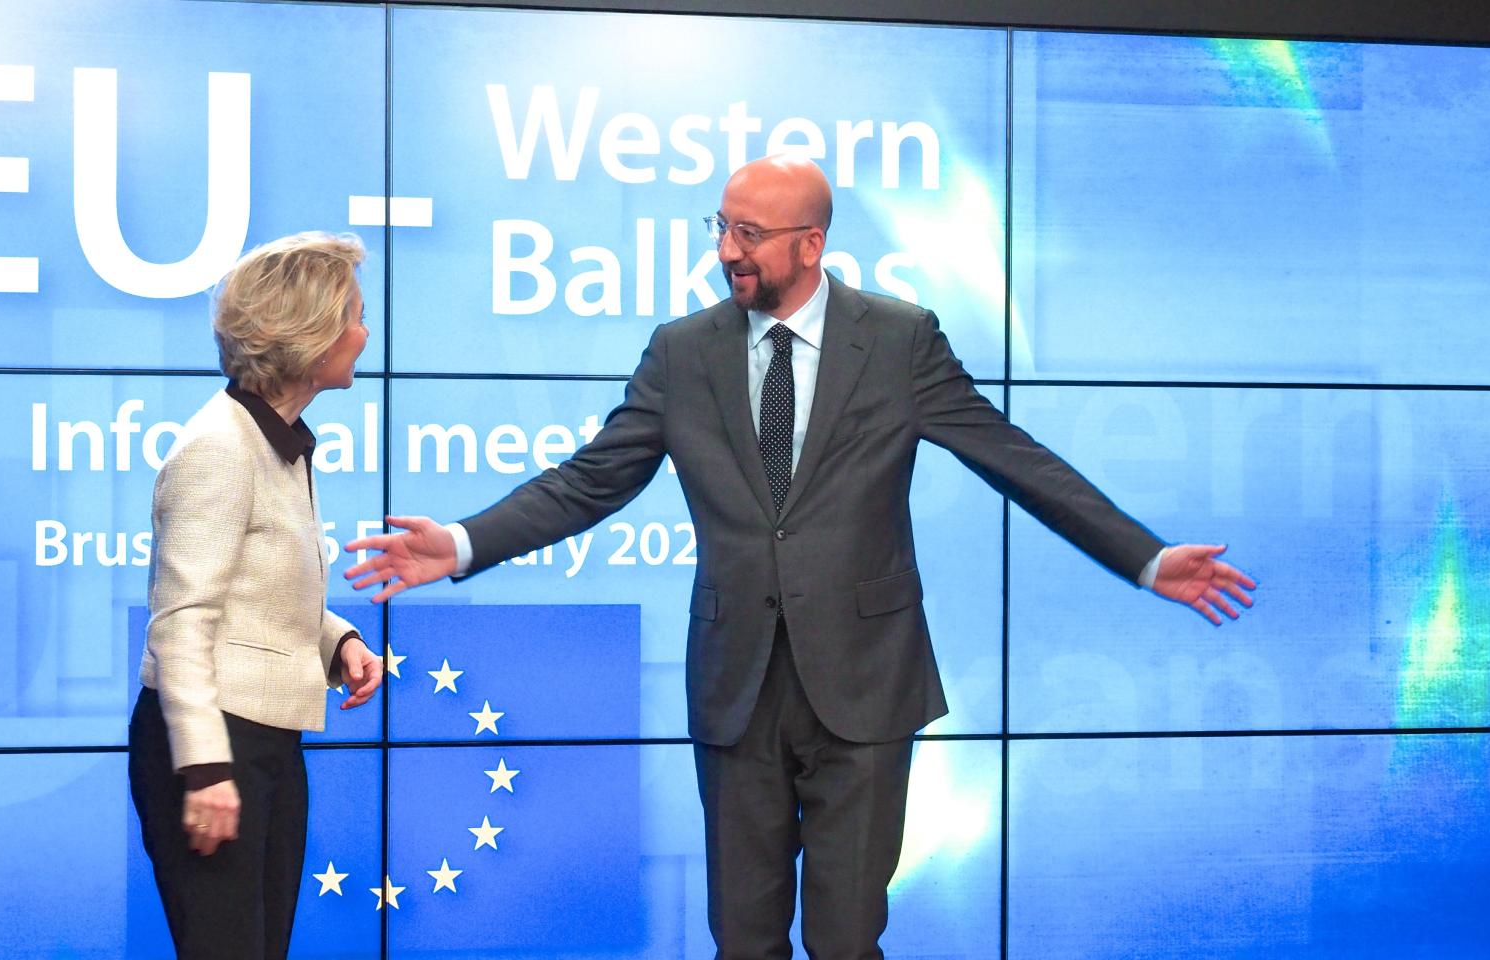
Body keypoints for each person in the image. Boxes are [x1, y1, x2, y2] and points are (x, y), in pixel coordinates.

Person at [345, 156, 1256, 959]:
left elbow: (1012, 458)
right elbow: (591, 480)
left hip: (865, 686)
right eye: (721, 228)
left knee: (845, 940)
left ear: (810, 243)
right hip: (737, 691)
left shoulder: (898, 340)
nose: (726, 250)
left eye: (748, 233)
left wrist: (1143, 558)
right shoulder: (682, 352)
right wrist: (463, 543)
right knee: (743, 941)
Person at [128, 231, 385, 960]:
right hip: (210, 745)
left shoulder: (275, 440)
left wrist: (338, 641)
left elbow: (258, 590)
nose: (366, 334)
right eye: (356, 316)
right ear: (309, 333)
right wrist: (205, 769)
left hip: (266, 739)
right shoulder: (219, 446)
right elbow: (181, 624)